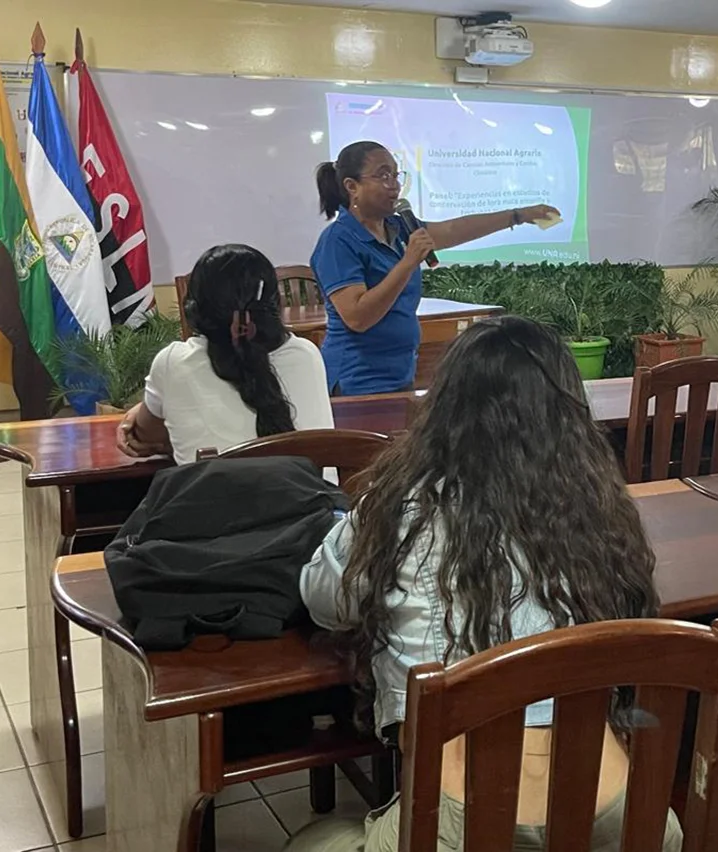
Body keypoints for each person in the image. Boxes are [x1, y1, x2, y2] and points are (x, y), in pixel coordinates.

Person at [291, 316, 680, 852]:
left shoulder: (398, 509)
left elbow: (324, 600)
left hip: (459, 824)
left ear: (444, 411)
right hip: (620, 813)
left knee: (311, 841)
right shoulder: (601, 516)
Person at [311, 141, 560, 396]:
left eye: (396, 175)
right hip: (355, 381)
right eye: (383, 175)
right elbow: (357, 318)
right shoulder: (337, 241)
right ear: (352, 186)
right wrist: (407, 263)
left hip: (400, 374)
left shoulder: (399, 228)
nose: (394, 185)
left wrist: (518, 215)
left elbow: (453, 229)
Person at [116, 244, 333, 465]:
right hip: (316, 498)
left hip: (217, 498)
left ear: (194, 307)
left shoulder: (173, 362)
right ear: (275, 304)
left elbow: (144, 438)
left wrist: (146, 411)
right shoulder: (307, 354)